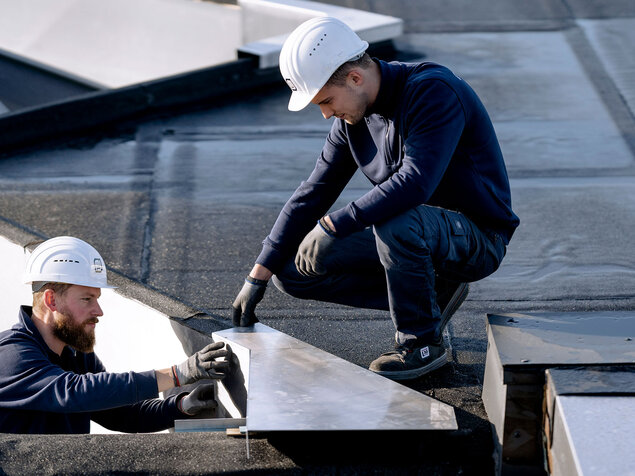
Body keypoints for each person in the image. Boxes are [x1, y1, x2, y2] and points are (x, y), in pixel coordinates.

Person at [232, 17, 519, 381]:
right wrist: (258, 274)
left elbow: (415, 183)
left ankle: (421, 344)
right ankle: (431, 297)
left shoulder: (434, 91)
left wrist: (335, 224)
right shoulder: (354, 118)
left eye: (326, 100)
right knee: (292, 270)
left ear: (355, 77)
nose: (325, 113)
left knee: (395, 218)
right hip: (417, 233)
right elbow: (314, 191)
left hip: (478, 237)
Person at [0, 236, 232, 434]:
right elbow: (74, 392)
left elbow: (120, 413)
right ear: (51, 300)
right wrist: (178, 374)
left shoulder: (75, 353)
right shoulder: (11, 356)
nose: (98, 311)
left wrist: (180, 406)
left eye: (97, 299)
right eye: (86, 299)